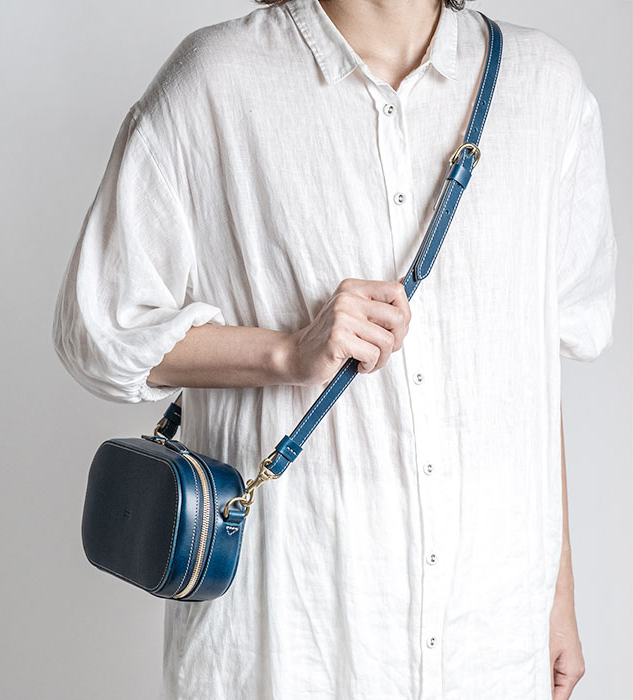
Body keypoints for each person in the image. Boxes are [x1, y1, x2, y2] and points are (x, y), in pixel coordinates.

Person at [52, 0, 617, 697]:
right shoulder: (217, 79)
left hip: (490, 635)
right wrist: (288, 352)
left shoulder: (545, 85)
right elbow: (100, 333)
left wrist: (557, 596)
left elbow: (528, 369)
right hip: (294, 635)